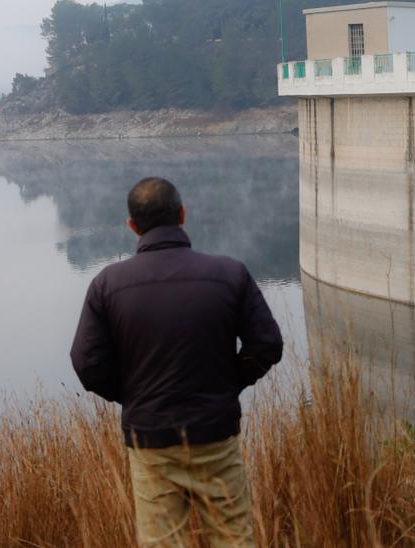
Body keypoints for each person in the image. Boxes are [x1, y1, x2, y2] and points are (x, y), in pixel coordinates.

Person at [71, 177, 283, 547]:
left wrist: (134, 395)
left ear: (132, 226)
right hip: (215, 433)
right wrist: (227, 384)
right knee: (234, 539)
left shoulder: (107, 284)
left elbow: (87, 363)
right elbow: (267, 345)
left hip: (151, 439)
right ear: (182, 215)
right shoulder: (230, 273)